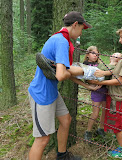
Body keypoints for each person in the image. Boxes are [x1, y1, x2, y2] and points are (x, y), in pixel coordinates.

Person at [28, 11, 101, 160]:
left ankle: (62, 156)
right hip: (41, 94)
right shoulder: (61, 41)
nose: (81, 32)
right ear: (75, 25)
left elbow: (64, 71)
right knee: (43, 139)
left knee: (66, 120)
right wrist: (84, 71)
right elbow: (61, 75)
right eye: (82, 28)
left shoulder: (60, 38)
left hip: (51, 91)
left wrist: (85, 85)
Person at [89, 24, 122, 158]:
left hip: (117, 96)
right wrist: (104, 72)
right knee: (120, 119)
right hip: (118, 95)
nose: (120, 40)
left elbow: (120, 79)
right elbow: (116, 71)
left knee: (115, 123)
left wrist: (100, 82)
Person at [83, 48, 122, 141]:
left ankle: (100, 128)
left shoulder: (108, 66)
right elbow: (91, 77)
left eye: (97, 54)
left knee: (105, 112)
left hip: (106, 91)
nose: (95, 55)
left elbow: (109, 74)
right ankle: (88, 131)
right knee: (95, 113)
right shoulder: (95, 65)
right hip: (96, 91)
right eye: (93, 53)